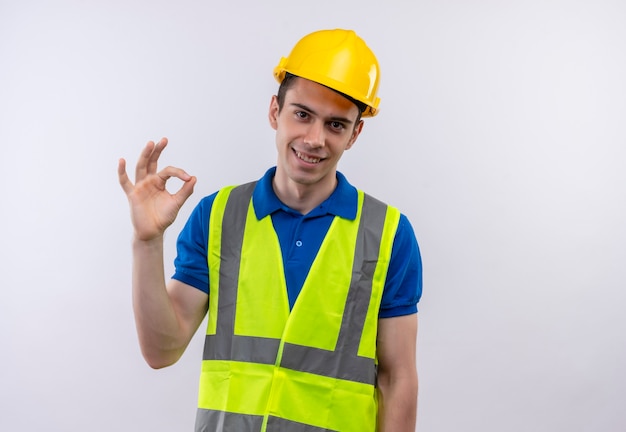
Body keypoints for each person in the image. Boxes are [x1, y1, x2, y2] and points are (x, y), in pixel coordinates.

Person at [118, 28, 422, 432]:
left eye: (335, 124)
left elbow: (396, 379)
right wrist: (147, 242)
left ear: (355, 133)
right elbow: (161, 350)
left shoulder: (388, 235)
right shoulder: (219, 217)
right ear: (274, 112)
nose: (314, 139)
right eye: (302, 114)